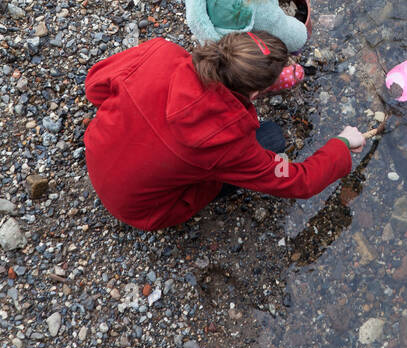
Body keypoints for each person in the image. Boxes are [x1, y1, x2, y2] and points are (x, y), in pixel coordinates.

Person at [84, 31, 366, 230]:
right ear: (255, 92)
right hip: (144, 210)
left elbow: (94, 86)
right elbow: (296, 181)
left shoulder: (161, 52)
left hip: (98, 154)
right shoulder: (232, 146)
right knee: (272, 139)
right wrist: (341, 144)